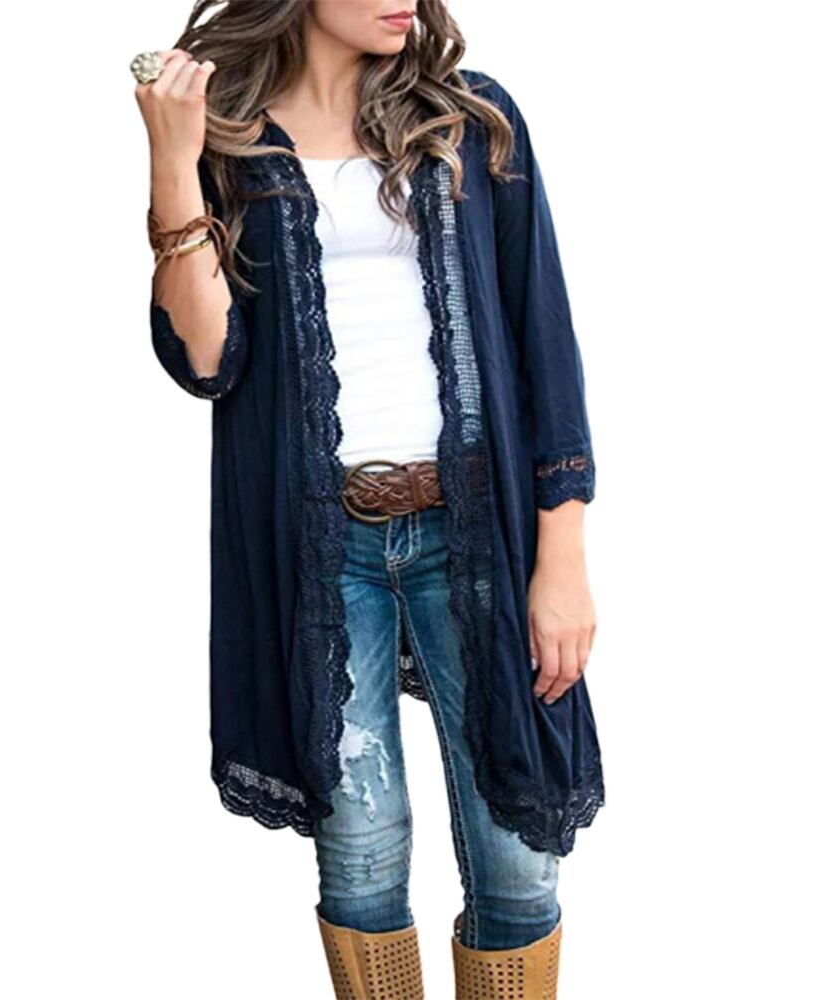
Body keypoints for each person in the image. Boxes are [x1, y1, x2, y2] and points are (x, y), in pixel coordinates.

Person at [132, 1, 604, 996]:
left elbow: (544, 343)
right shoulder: (229, 141)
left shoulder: (469, 121)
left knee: (519, 861)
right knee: (363, 855)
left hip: (479, 535)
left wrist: (562, 557)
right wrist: (173, 159)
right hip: (319, 545)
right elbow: (207, 361)